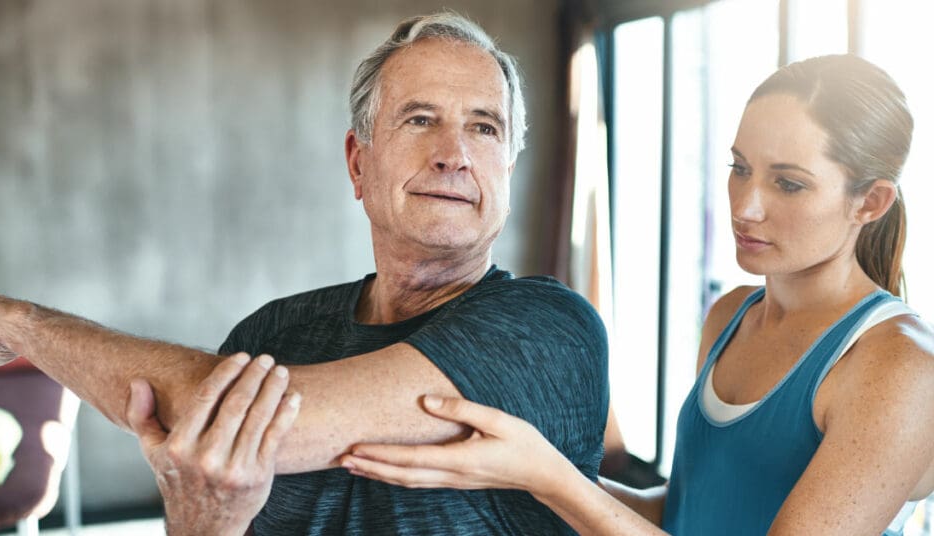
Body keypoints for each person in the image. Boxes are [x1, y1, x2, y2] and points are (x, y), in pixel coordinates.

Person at [0, 12, 610, 535]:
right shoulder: (275, 331)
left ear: (506, 170)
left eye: (485, 128)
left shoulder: (549, 329)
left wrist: (23, 323)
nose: (454, 153)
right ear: (358, 164)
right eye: (420, 119)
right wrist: (200, 520)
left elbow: (256, 420)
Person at [338, 54, 934, 536]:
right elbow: (689, 513)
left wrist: (551, 478)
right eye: (739, 168)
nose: (745, 206)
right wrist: (511, 465)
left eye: (788, 183)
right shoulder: (733, 315)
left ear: (870, 202)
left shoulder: (899, 369)